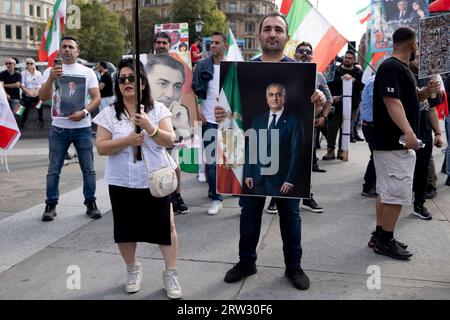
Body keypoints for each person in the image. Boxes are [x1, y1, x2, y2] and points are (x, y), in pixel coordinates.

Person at [215, 13, 326, 290]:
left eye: (278, 29)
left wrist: (321, 102)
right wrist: (222, 114)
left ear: (286, 37)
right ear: (260, 35)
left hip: (288, 168)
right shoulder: (243, 71)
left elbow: (321, 112)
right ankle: (246, 261)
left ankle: (294, 267)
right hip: (257, 166)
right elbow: (236, 123)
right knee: (249, 212)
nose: (272, 33)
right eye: (267, 29)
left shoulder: (303, 72)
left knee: (291, 215)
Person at [93, 58, 182, 299]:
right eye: (122, 79)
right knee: (125, 230)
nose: (127, 83)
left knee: (166, 226)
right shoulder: (110, 113)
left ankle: (170, 272)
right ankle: (133, 268)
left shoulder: (157, 110)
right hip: (122, 181)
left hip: (154, 180)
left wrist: (150, 128)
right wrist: (128, 141)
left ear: (142, 82)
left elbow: (170, 140)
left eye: (132, 78)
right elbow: (101, 147)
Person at [370, 27, 440, 259]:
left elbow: (408, 99)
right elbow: (392, 102)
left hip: (393, 143)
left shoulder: (403, 69)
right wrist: (409, 133)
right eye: (417, 46)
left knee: (386, 192)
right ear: (412, 45)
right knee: (396, 194)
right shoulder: (391, 67)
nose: (417, 49)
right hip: (394, 143)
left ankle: (380, 235)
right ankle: (386, 241)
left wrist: (424, 91)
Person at [39, 35, 102, 222]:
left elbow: (96, 98)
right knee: (53, 169)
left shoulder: (87, 72)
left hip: (82, 126)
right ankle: (51, 204)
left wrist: (84, 112)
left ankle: (91, 202)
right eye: (64, 46)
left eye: (71, 47)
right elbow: (42, 97)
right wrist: (51, 78)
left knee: (89, 169)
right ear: (60, 50)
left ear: (77, 51)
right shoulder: (51, 71)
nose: (67, 49)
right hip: (59, 127)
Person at [145, 53, 190, 215]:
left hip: (170, 131)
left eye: (177, 86)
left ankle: (176, 196)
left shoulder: (179, 113)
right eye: (163, 83)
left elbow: (188, 137)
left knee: (174, 164)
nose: (171, 93)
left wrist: (184, 127)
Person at [243, 83, 302, 198]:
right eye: (271, 95)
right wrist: (248, 174)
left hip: (281, 180)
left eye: (278, 95)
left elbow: (296, 153)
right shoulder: (257, 120)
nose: (274, 98)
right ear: (267, 99)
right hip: (257, 178)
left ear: (284, 98)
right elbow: (251, 149)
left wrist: (289, 180)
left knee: (287, 214)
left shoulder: (294, 121)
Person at [192, 32, 228, 215]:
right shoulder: (201, 66)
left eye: (217, 43)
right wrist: (197, 109)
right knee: (213, 161)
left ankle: (221, 189)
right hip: (209, 120)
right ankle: (216, 198)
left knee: (230, 160)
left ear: (225, 46)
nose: (212, 45)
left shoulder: (233, 67)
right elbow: (193, 90)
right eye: (211, 43)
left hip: (229, 121)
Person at [324, 50, 364, 160]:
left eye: (350, 58)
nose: (347, 59)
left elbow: (362, 86)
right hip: (336, 104)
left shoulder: (358, 72)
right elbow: (328, 83)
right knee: (332, 127)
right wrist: (340, 79)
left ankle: (342, 151)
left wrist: (353, 80)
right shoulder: (336, 70)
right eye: (346, 57)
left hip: (352, 105)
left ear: (354, 60)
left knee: (346, 128)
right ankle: (330, 150)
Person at [360, 74, 378, 198]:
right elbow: (378, 103)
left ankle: (371, 184)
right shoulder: (374, 82)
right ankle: (368, 186)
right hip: (371, 125)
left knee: (377, 155)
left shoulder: (377, 80)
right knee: (377, 155)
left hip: (373, 125)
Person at [20, 58, 43, 128]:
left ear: (34, 65)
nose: (29, 65)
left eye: (31, 63)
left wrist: (36, 93)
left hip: (36, 94)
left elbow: (39, 85)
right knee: (26, 105)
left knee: (40, 105)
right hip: (26, 94)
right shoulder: (23, 73)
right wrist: (29, 93)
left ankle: (40, 119)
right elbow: (22, 85)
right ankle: (23, 120)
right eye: (28, 63)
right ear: (26, 65)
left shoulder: (38, 73)